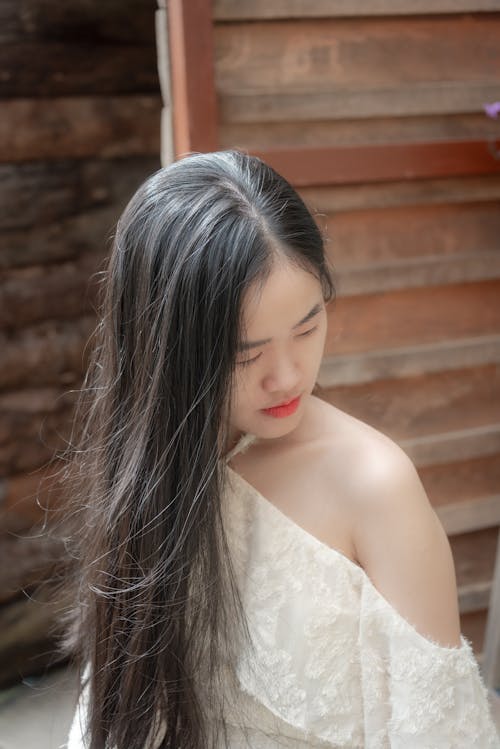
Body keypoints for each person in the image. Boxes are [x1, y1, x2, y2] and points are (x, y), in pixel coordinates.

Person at [60, 149, 499, 748]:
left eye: (308, 327)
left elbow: (441, 734)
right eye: (246, 354)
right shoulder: (153, 469)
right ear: (167, 349)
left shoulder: (374, 484)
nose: (288, 376)